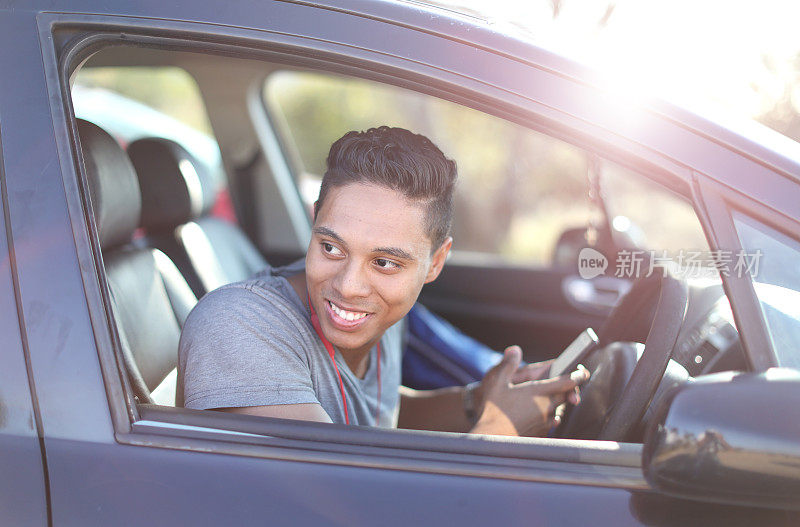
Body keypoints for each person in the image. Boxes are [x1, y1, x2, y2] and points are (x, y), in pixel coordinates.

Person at [178, 126, 589, 436]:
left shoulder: (379, 318)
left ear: (435, 262)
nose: (349, 285)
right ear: (317, 218)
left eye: (386, 263)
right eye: (332, 248)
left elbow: (377, 419)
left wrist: (476, 401)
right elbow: (351, 506)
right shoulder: (237, 328)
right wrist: (499, 431)